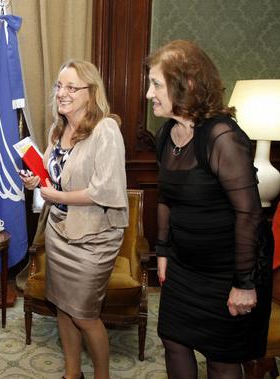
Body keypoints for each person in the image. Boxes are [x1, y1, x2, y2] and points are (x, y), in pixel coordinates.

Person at [147, 40, 272, 378]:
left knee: (221, 358)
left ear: (186, 84)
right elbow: (165, 198)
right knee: (173, 340)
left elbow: (249, 214)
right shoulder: (166, 135)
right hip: (185, 267)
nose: (149, 93)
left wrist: (244, 283)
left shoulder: (222, 137)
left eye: (156, 83)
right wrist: (162, 251)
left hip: (226, 272)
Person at [21, 59, 128, 379]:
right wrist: (37, 183)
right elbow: (56, 179)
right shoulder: (57, 130)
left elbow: (105, 190)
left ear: (91, 92)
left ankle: (101, 375)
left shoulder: (105, 128)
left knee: (84, 315)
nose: (62, 93)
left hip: (94, 237)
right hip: (59, 233)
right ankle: (72, 374)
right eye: (59, 86)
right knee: (63, 309)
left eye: (71, 87)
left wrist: (56, 196)